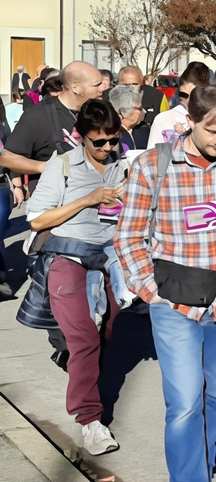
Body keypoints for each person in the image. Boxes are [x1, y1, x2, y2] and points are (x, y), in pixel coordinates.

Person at [114, 84, 216, 482]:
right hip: (173, 302)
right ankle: (189, 477)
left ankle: (200, 461)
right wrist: (149, 290)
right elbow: (129, 236)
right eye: (213, 132)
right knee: (185, 402)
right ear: (190, 122)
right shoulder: (153, 165)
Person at [26, 100, 125, 456]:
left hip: (110, 260)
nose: (106, 148)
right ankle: (90, 420)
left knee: (106, 332)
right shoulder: (62, 164)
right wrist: (89, 199)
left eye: (113, 140)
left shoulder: (123, 162)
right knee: (84, 337)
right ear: (81, 137)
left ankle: (73, 361)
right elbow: (37, 220)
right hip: (66, 257)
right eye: (98, 142)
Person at [1, 61, 108, 204]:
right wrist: (47, 167)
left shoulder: (100, 112)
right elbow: (7, 158)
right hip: (53, 206)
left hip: (95, 200)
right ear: (75, 87)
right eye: (96, 85)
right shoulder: (37, 115)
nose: (102, 89)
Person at [148, 62, 212, 147]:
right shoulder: (163, 119)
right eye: (184, 95)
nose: (189, 100)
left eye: (194, 96)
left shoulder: (215, 117)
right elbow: (152, 155)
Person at [109, 85, 150, 152]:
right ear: (122, 112)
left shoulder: (143, 129)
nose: (144, 111)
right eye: (139, 108)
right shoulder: (110, 136)